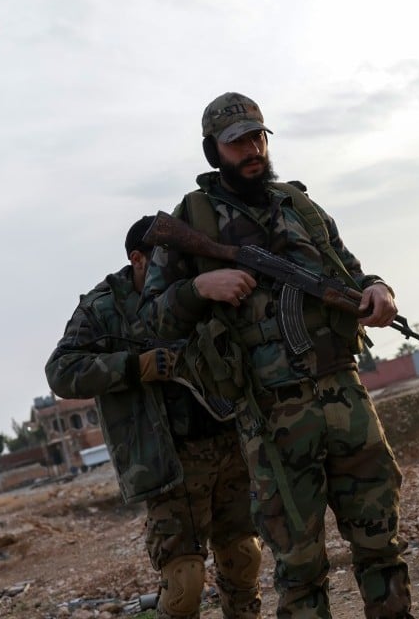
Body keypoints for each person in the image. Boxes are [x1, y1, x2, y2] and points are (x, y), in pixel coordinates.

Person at [140, 91, 413, 619]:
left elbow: (350, 271)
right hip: (271, 417)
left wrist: (378, 289)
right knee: (300, 567)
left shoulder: (299, 205)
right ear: (212, 151)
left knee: (382, 544)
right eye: (237, 142)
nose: (252, 149)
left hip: (345, 397)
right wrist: (202, 287)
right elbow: (152, 319)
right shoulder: (191, 220)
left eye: (258, 137)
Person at [46, 216, 262, 619]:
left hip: (228, 445)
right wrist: (133, 367)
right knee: (184, 583)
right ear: (137, 259)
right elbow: (61, 372)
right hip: (168, 460)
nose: (173, 268)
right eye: (162, 259)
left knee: (243, 559)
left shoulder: (196, 287)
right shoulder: (103, 307)